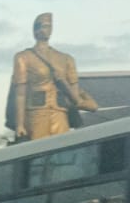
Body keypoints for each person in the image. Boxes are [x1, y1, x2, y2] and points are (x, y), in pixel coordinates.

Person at [8, 13, 97, 142]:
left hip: (60, 111)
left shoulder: (66, 58)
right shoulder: (23, 57)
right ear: (35, 30)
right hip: (36, 112)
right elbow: (20, 93)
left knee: (60, 149)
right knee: (38, 149)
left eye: (49, 26)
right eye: (44, 26)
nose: (47, 29)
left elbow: (74, 93)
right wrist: (20, 124)